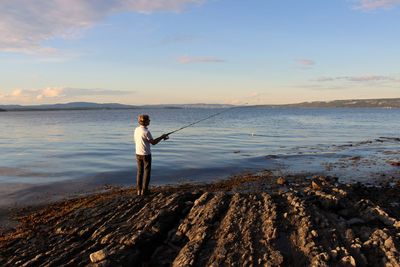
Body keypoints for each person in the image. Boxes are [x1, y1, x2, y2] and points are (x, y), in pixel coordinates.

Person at [134, 114, 169, 196]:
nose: (150, 121)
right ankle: (145, 191)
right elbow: (153, 143)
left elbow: (136, 140)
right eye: (148, 120)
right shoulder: (146, 132)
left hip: (138, 153)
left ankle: (139, 191)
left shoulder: (136, 129)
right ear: (145, 121)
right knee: (147, 172)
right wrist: (162, 136)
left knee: (139, 172)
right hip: (146, 154)